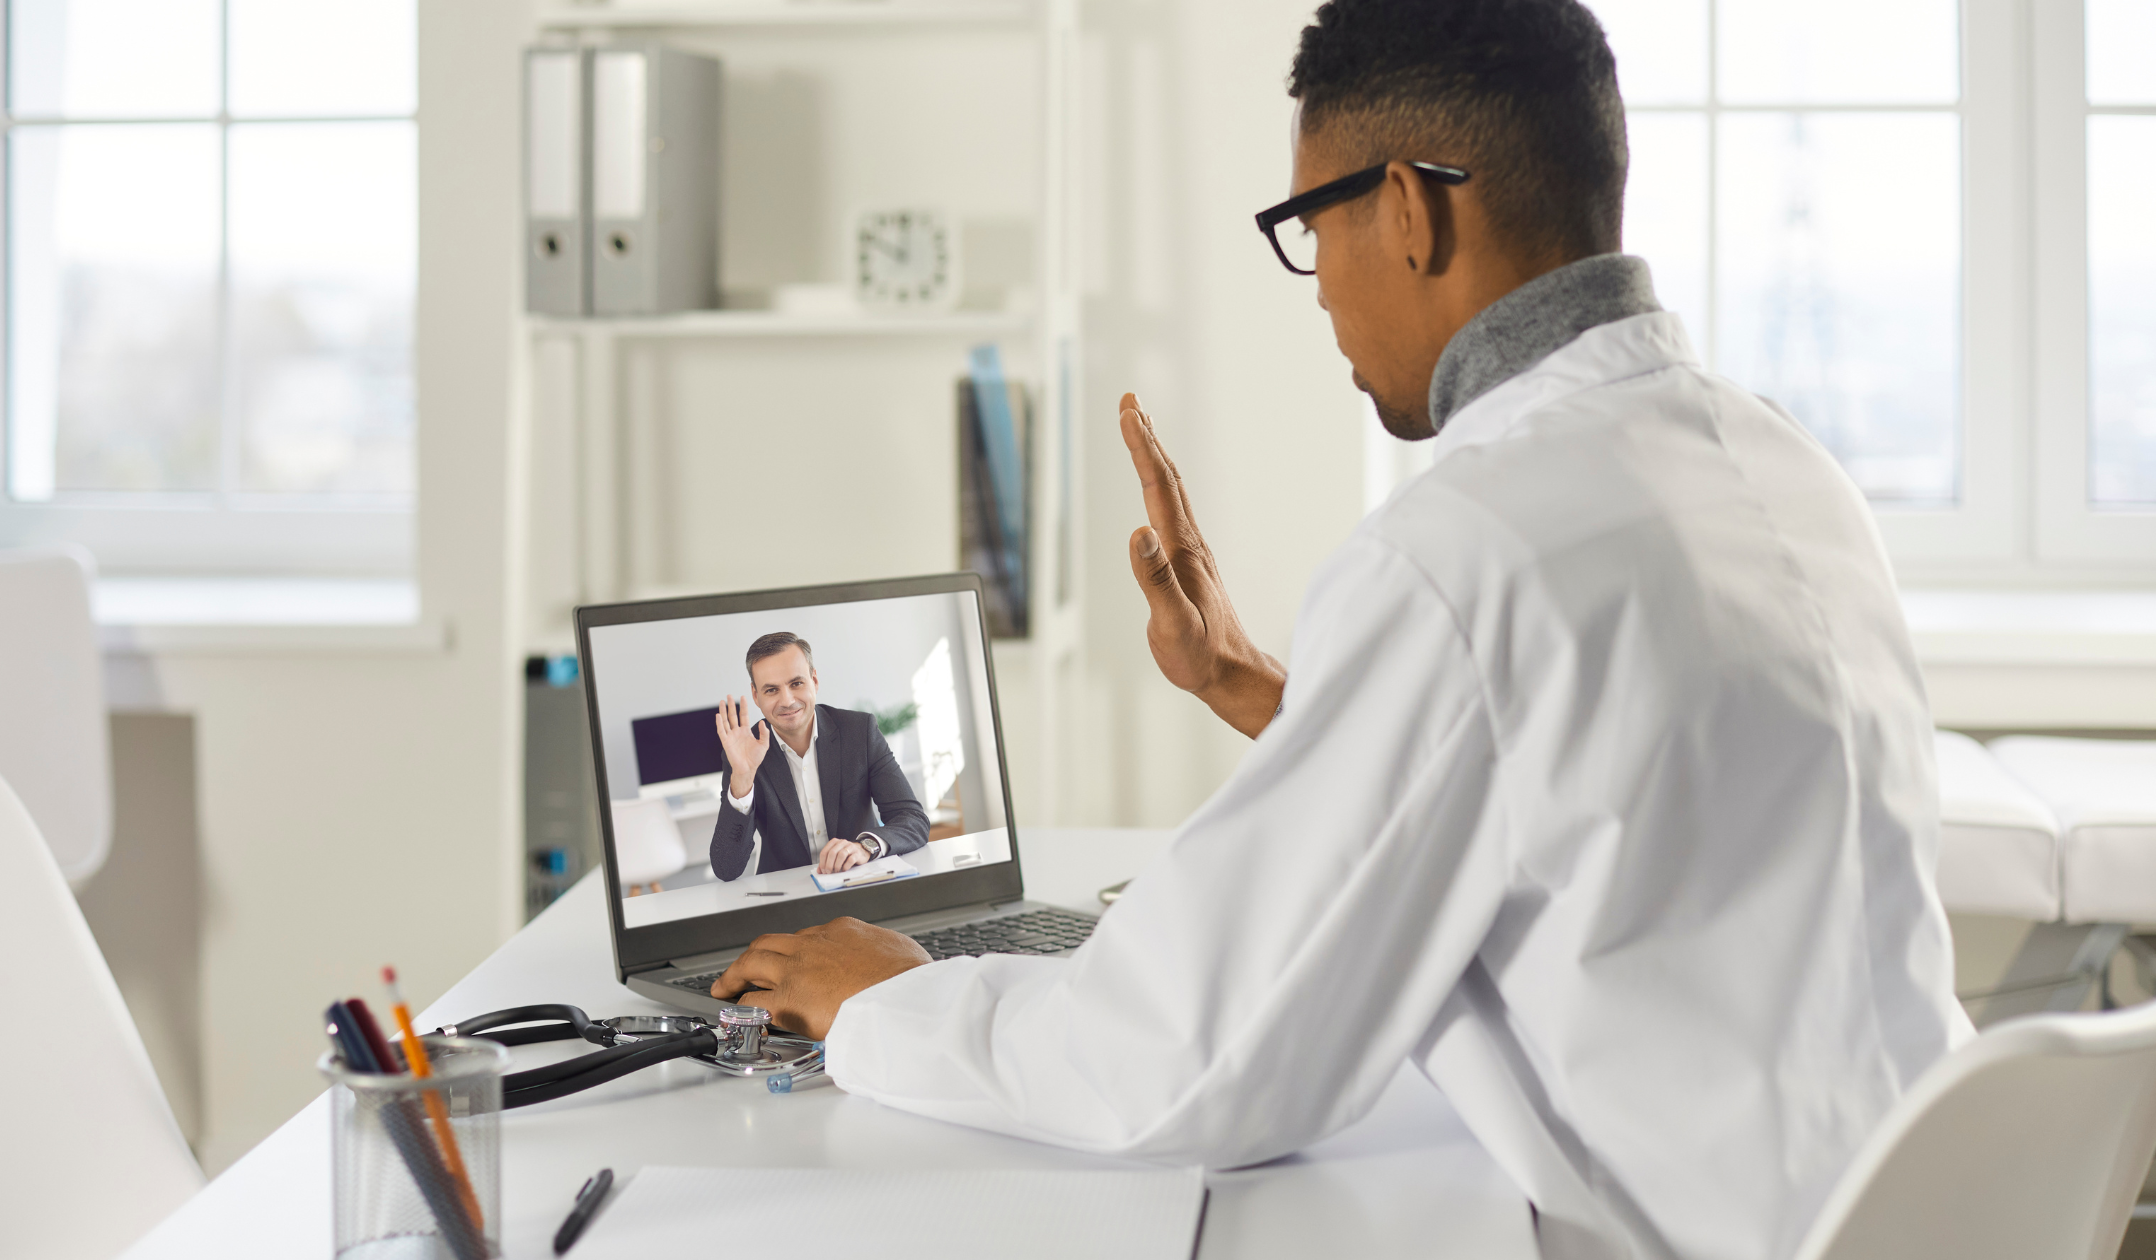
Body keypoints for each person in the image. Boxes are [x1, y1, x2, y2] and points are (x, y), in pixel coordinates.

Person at [709, 2, 1969, 1256]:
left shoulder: (1462, 550)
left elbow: (1195, 1062)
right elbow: (1588, 773)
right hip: (1922, 1205)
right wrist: (1256, 687)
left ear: (1409, 209)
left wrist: (893, 1000)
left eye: (1309, 228)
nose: (1315, 295)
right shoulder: (1776, 462)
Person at [709, 631, 929, 881]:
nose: (787, 700)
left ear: (814, 680)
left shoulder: (859, 732)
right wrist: (743, 780)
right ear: (756, 695)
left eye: (796, 683)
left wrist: (865, 848)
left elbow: (912, 820)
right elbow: (726, 868)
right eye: (771, 690)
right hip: (789, 899)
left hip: (861, 882)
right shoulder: (744, 753)